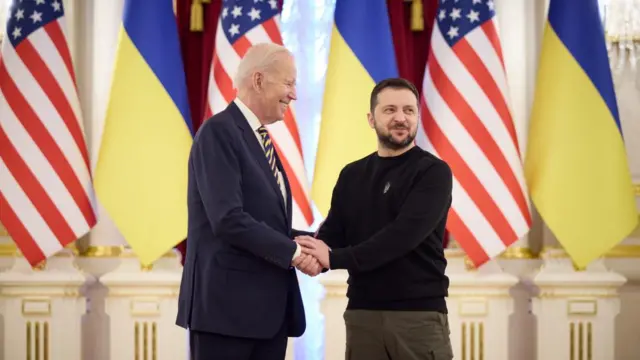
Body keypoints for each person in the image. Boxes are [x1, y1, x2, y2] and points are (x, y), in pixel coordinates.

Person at [176, 43, 321, 360]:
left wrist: (320, 243)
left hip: (265, 316)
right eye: (288, 83)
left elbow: (265, 222)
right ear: (258, 80)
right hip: (226, 315)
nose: (293, 95)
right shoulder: (219, 132)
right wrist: (296, 253)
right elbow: (228, 219)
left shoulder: (257, 137)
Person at [296, 78, 454, 360]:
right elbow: (333, 234)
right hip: (362, 315)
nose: (401, 118)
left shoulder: (433, 172)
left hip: (417, 316)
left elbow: (401, 236)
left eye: (409, 110)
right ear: (371, 119)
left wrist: (333, 258)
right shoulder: (352, 175)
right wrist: (305, 251)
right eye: (390, 110)